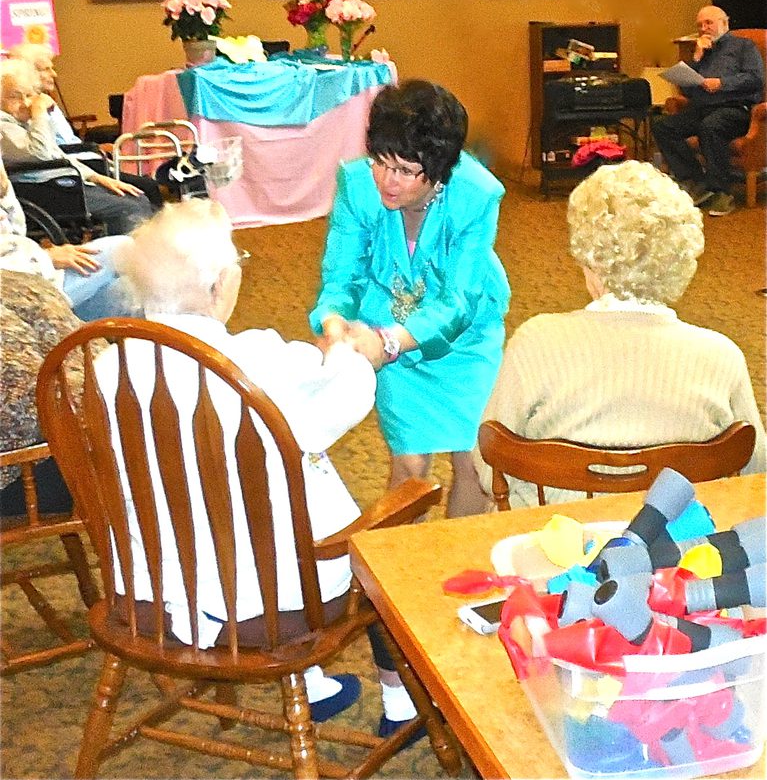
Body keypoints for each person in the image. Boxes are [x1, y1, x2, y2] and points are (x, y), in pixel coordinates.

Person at [94, 200, 421, 735]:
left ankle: (312, 685)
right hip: (267, 601)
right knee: (373, 541)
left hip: (149, 587)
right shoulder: (260, 362)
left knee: (242, 496)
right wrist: (351, 352)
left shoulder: (106, 367)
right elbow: (341, 398)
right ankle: (402, 704)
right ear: (219, 284)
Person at [473, 160, 766, 507]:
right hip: (674, 550)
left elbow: (486, 462)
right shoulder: (722, 357)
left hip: (551, 545)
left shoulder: (536, 342)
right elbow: (755, 469)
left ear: (589, 260)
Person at [309, 80, 511, 518]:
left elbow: (460, 300)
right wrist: (334, 324)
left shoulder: (477, 195)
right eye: (380, 162)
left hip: (465, 339)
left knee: (472, 462)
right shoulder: (358, 184)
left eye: (403, 170)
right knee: (410, 466)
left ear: (439, 169)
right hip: (386, 321)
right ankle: (394, 578)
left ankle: (458, 574)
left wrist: (390, 342)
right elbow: (341, 277)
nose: (386, 179)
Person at [0, 60, 154, 235]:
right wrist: (39, 113)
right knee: (127, 208)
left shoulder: (24, 124)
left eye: (29, 95)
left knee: (139, 198)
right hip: (43, 189)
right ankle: (126, 259)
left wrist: (97, 177)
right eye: (15, 96)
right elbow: (40, 153)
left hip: (61, 183)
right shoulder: (4, 125)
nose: (26, 103)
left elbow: (57, 155)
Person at [652, 6, 764, 217]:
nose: (704, 29)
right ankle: (696, 182)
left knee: (711, 125)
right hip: (702, 108)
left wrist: (722, 84)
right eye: (700, 25)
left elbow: (755, 79)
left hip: (735, 109)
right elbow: (687, 88)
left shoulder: (744, 47)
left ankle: (722, 192)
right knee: (663, 126)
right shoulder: (701, 52)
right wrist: (696, 56)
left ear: (724, 23)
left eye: (708, 23)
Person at [0, 156, 136, 320]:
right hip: (20, 286)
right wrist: (45, 257)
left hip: (29, 267)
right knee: (122, 247)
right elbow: (39, 150)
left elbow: (14, 232)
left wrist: (5, 192)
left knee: (130, 292)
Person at [0, 270, 85, 517]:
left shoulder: (22, 282)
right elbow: (26, 409)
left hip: (51, 438)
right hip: (18, 472)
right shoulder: (23, 281)